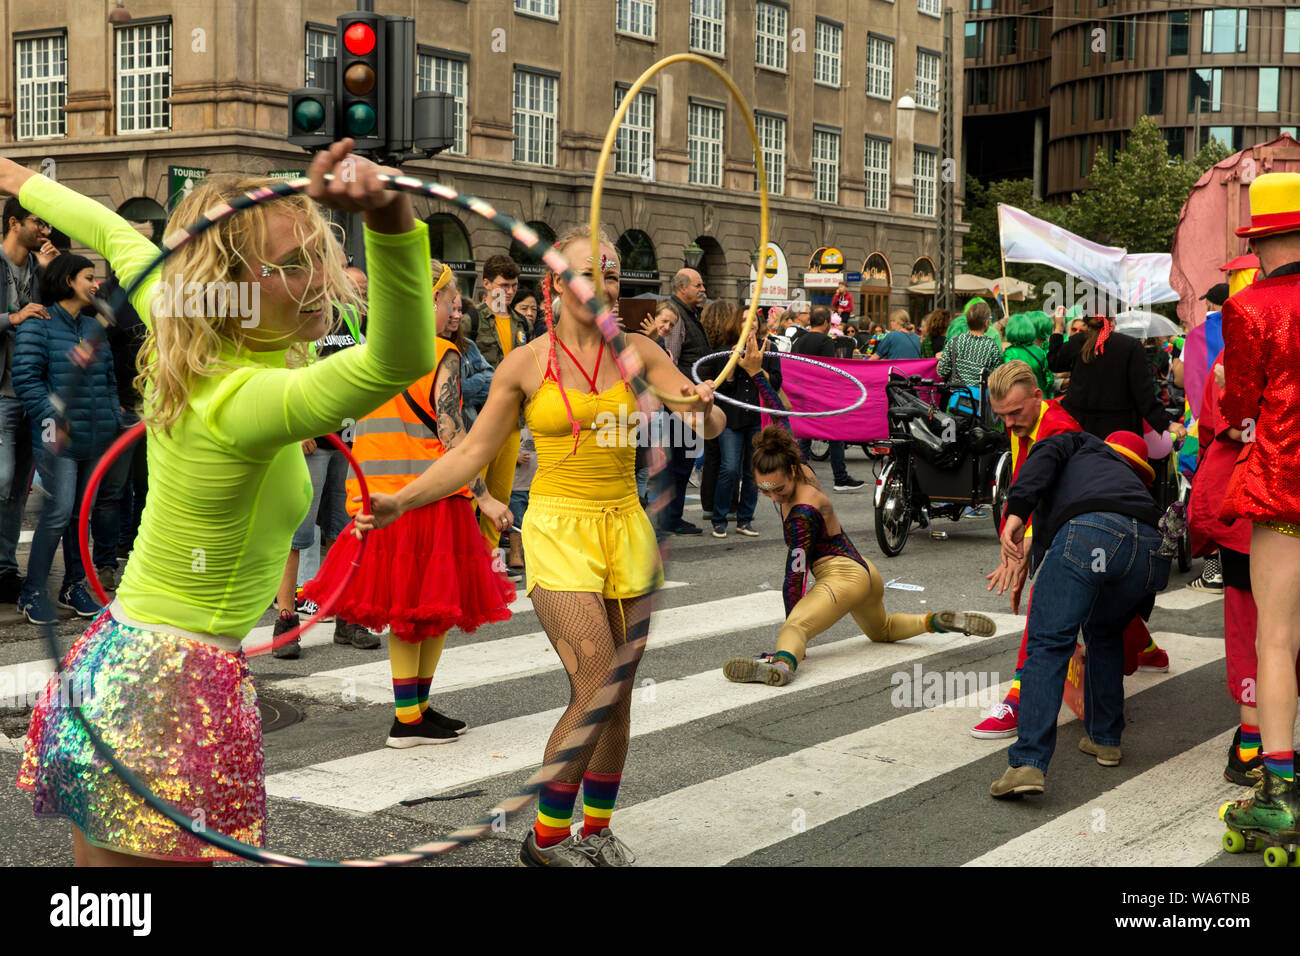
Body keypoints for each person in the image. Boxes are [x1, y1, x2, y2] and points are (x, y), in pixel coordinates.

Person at [13, 139, 439, 864]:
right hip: (168, 682)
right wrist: (394, 219)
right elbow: (398, 360)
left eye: (319, 254)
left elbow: (113, 232)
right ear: (227, 284)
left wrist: (18, 178)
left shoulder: (190, 321)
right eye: (292, 263)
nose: (318, 280)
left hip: (146, 660)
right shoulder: (240, 397)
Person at [356, 225, 725, 867]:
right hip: (557, 527)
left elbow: (706, 422)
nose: (607, 283)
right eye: (594, 272)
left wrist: (705, 405)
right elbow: (471, 450)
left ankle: (597, 829)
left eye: (613, 273)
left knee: (620, 694)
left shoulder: (638, 351)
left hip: (625, 524)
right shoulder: (524, 363)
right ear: (556, 284)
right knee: (596, 681)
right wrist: (400, 500)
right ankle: (547, 840)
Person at [304, 259, 515, 744]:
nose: (457, 311)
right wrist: (485, 498)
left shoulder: (372, 354)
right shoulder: (441, 353)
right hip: (427, 495)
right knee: (419, 608)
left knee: (426, 608)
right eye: (449, 301)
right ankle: (406, 718)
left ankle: (416, 709)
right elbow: (451, 434)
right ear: (425, 305)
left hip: (380, 498)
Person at [974, 361, 1171, 738]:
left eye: (1015, 413)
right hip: (1109, 533)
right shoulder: (1025, 421)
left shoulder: (1058, 428)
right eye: (1001, 416)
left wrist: (1025, 551)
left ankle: (1021, 696)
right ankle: (1147, 651)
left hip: (1084, 525)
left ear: (1037, 397)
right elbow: (1022, 480)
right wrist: (1013, 543)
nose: (1009, 423)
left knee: (1049, 604)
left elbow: (1045, 492)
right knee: (1102, 600)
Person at [722, 426, 995, 686]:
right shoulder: (802, 472)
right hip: (865, 572)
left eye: (778, 489)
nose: (773, 497)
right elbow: (781, 430)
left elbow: (794, 575)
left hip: (842, 579)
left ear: (792, 471)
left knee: (794, 628)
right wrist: (758, 375)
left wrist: (793, 634)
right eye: (764, 490)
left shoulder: (801, 516)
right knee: (883, 631)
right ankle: (936, 621)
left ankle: (781, 667)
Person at [989, 429, 1170, 798]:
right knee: (1105, 632)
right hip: (1152, 545)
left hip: (1092, 533)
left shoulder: (1073, 442)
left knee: (1049, 643)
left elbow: (1039, 464)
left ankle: (1027, 763)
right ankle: (1106, 740)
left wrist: (1016, 512)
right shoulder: (1128, 481)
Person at [1218, 172, 1300, 843]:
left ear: (1266, 242)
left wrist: (1228, 388)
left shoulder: (1249, 310)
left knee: (1276, 637)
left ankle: (1279, 791)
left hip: (1284, 487)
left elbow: (1239, 409)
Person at [270, 258, 376, 654]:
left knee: (345, 532)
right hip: (312, 441)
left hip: (348, 441)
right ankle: (286, 621)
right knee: (297, 533)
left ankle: (345, 619)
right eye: (352, 288)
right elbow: (283, 373)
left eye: (362, 291)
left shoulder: (351, 320)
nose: (358, 296)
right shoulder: (299, 316)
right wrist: (297, 429)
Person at [0, 198, 56, 604]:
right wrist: (13, 318)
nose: (45, 230)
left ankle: (5, 571)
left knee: (19, 489)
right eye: (38, 222)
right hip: (0, 394)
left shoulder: (41, 271)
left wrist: (56, 275)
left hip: (31, 394)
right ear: (14, 223)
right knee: (1, 481)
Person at [697, 308, 782, 538]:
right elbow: (720, 387)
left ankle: (745, 520)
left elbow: (775, 382)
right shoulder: (725, 350)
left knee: (753, 471)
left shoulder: (770, 349)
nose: (749, 323)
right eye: (744, 319)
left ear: (759, 323)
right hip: (730, 419)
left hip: (755, 418)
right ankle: (719, 519)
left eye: (753, 319)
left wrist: (756, 368)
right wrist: (733, 364)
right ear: (737, 324)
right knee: (730, 467)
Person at [1046, 310, 1187, 444]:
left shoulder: (1076, 342)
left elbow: (1054, 363)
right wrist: (1165, 423)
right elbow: (1144, 394)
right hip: (1118, 435)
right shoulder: (1130, 345)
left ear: (1085, 319)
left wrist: (1058, 328)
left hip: (1079, 430)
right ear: (1113, 318)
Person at [472, 254, 527, 551]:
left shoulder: (521, 322)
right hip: (480, 418)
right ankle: (462, 557)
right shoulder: (471, 318)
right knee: (471, 494)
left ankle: (489, 558)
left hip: (513, 420)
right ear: (486, 284)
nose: (508, 292)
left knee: (501, 495)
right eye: (502, 285)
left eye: (513, 285)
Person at [653, 267, 711, 537]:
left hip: (687, 401)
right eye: (697, 285)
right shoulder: (675, 317)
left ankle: (671, 516)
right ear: (682, 287)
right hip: (679, 402)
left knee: (682, 461)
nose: (702, 289)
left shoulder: (689, 314)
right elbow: (670, 362)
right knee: (678, 462)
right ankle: (670, 518)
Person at [790, 307, 864, 492]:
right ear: (824, 323)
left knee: (805, 436)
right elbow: (829, 370)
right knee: (835, 434)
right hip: (822, 394)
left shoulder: (799, 340)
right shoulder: (826, 341)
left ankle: (798, 474)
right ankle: (840, 478)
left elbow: (793, 365)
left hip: (802, 393)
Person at [937, 300, 1003, 390]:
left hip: (956, 398)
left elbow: (943, 371)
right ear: (986, 322)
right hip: (979, 399)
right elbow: (996, 376)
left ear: (967, 321)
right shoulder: (991, 347)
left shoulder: (954, 342)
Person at [1002, 313, 1051, 395]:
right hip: (1042, 399)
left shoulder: (1009, 353)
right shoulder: (1040, 351)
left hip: (1021, 400)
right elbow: (1049, 380)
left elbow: (1007, 381)